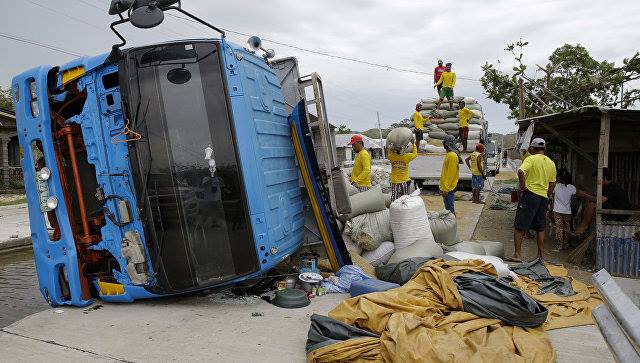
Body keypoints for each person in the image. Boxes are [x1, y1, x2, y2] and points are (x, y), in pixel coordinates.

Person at [509, 138, 556, 262]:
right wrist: (547, 194)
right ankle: (540, 257)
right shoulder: (551, 163)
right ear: (544, 149)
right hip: (543, 198)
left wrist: (524, 188)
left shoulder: (530, 158)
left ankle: (518, 255)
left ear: (532, 148)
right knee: (540, 227)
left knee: (520, 225)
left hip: (530, 196)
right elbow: (553, 183)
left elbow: (521, 171)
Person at [574, 168, 631, 234]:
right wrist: (585, 191)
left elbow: (598, 200)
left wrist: (584, 195)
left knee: (592, 205)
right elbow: (595, 195)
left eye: (597, 180)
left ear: (603, 178)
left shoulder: (612, 187)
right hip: (613, 208)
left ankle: (584, 226)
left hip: (621, 214)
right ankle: (584, 225)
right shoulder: (605, 187)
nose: (596, 182)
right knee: (589, 204)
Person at [552, 169, 576, 251]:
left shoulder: (555, 186)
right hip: (567, 211)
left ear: (558, 177)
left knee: (559, 228)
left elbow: (551, 194)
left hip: (557, 211)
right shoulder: (572, 188)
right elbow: (575, 196)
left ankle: (560, 245)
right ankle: (567, 244)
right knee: (567, 228)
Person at [440, 135, 459, 215]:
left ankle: (452, 225)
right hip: (446, 187)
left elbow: (451, 174)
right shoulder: (449, 154)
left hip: (449, 188)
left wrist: (446, 189)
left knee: (450, 210)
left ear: (447, 144)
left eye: (444, 142)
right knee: (448, 208)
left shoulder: (452, 156)